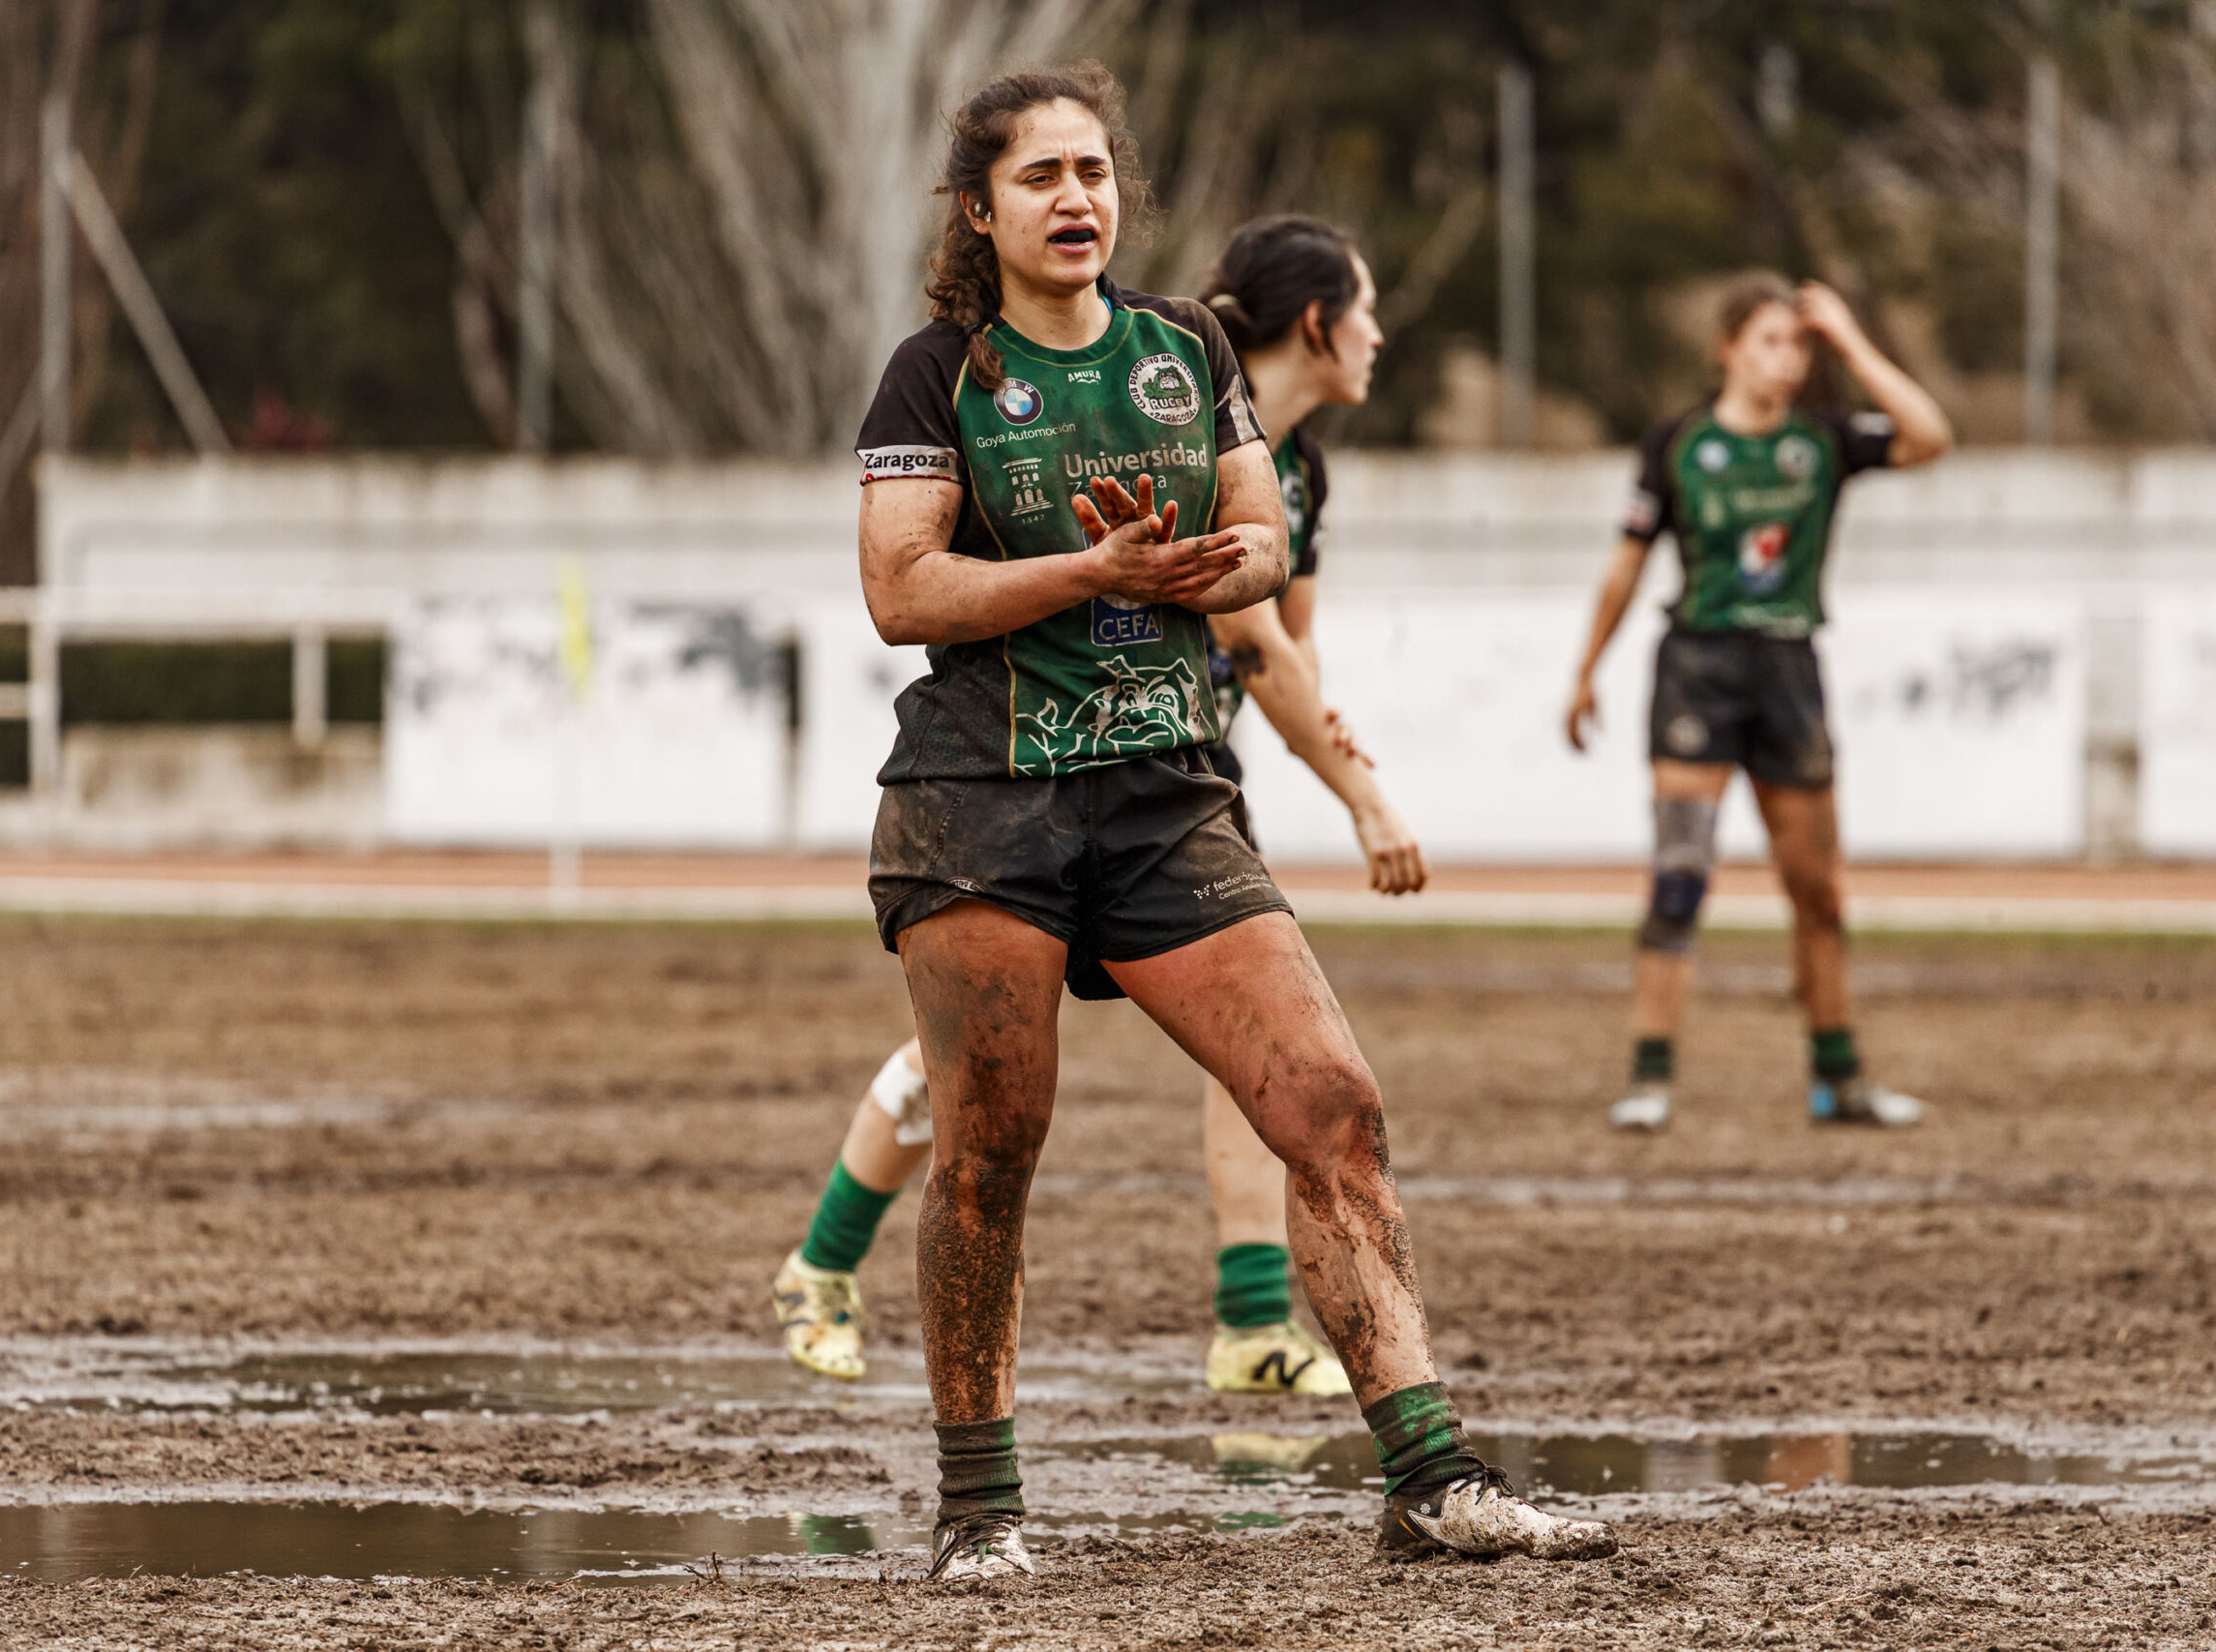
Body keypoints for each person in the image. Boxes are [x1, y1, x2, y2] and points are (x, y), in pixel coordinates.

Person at [845, 60, 1613, 1584]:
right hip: (976, 801)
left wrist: (1219, 561)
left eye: (1092, 173)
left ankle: (1428, 1476)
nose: (1075, 198)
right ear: (979, 209)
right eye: (1040, 177)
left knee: (1331, 1100)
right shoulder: (937, 373)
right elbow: (898, 590)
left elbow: (1264, 536)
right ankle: (982, 1511)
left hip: (1163, 795)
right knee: (993, 1146)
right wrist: (1088, 575)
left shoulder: (1186, 347)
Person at [773, 214, 1426, 1408]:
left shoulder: (1294, 471)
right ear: (1321, 326)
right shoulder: (1128, 399)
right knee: (958, 1075)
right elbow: (1260, 653)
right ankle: (819, 1266)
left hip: (1177, 778)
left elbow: (1291, 657)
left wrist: (1321, 749)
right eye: (1368, 310)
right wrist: (1367, 800)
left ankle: (1246, 1321)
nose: (1381, 334)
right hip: (1026, 783)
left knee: (1272, 1065)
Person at [1564, 272, 1954, 1133]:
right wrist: (1587, 668)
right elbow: (1626, 564)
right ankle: (1650, 1077)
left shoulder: (1823, 440)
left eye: (1801, 342)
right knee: (1680, 877)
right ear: (1728, 348)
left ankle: (1839, 1079)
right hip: (1697, 670)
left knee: (1818, 892)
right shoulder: (1677, 444)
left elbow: (1931, 437)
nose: (1790, 357)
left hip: (1788, 675)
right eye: (1773, 339)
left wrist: (1852, 342)